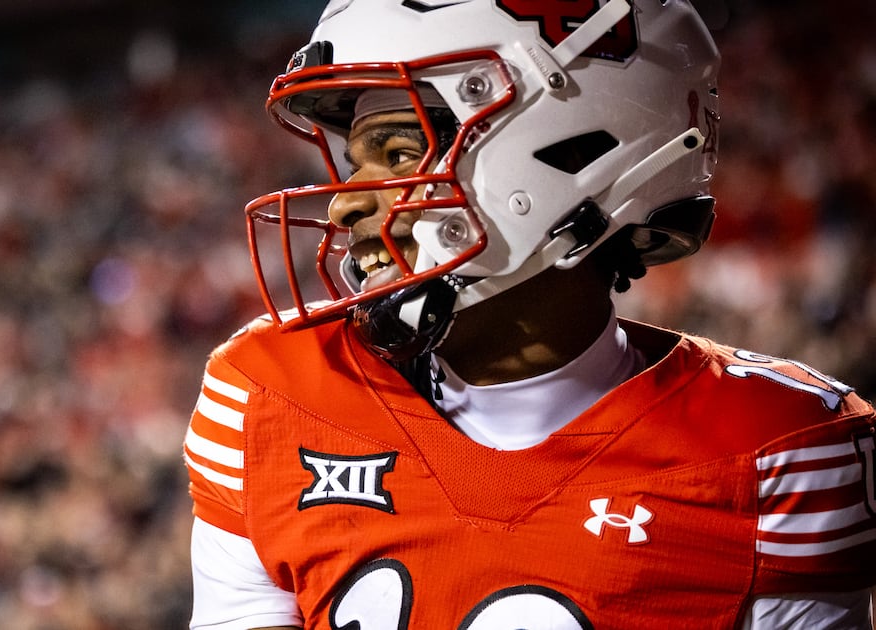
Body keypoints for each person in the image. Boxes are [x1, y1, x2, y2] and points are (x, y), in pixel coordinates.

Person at [182, 0, 876, 627]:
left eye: (399, 153)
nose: (346, 204)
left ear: (573, 151)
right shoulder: (269, 394)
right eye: (355, 163)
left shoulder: (775, 453)